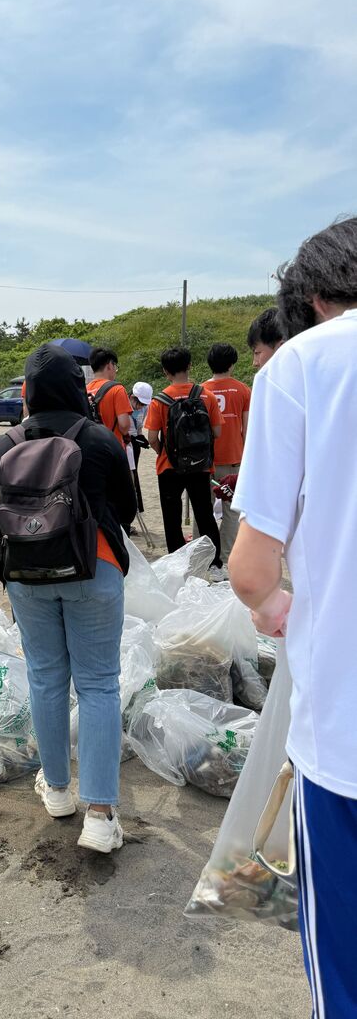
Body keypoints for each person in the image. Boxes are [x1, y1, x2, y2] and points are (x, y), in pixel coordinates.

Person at [227, 216, 357, 1015]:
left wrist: (276, 607)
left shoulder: (304, 364)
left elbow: (249, 570)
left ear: (314, 297)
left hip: (345, 728)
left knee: (343, 968)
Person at [0, 344, 137, 853]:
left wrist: (22, 514)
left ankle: (57, 791)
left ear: (29, 393)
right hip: (93, 569)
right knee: (100, 684)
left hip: (26, 576)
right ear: (76, 388)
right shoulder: (99, 438)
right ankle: (101, 815)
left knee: (45, 678)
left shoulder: (7, 442)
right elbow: (126, 509)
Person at [144, 346, 224, 574]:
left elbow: (151, 437)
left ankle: (176, 566)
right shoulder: (205, 395)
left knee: (171, 517)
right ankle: (215, 564)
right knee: (205, 514)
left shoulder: (160, 400)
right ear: (189, 366)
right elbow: (217, 432)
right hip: (200, 466)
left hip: (169, 467)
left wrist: (165, 451)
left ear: (165, 371)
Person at [200, 343, 251, 564]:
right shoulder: (242, 390)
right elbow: (247, 429)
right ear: (232, 364)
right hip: (233, 459)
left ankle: (202, 555)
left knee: (203, 509)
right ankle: (226, 555)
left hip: (205, 461)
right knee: (231, 511)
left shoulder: (200, 390)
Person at [86, 347, 134, 450]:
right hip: (113, 449)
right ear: (109, 365)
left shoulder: (85, 390)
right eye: (115, 366)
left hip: (91, 448)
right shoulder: (117, 389)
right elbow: (124, 426)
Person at [128, 381, 153, 513]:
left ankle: (135, 508)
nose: (141, 407)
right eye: (139, 403)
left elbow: (139, 425)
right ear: (132, 397)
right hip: (125, 442)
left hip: (135, 443)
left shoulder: (144, 408)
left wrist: (139, 436)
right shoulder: (123, 405)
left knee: (134, 474)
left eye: (144, 404)